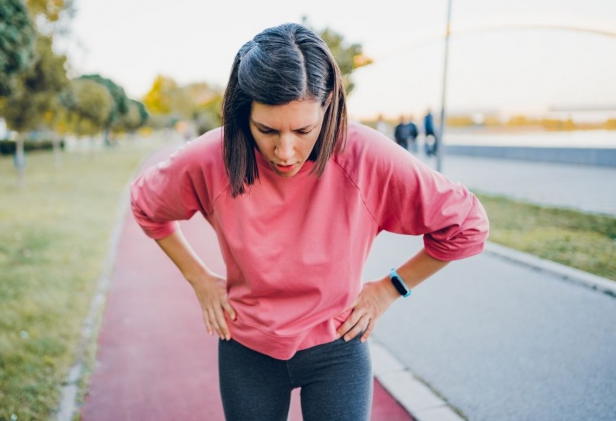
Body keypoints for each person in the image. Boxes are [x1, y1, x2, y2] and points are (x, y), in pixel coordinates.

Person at [131, 23, 488, 421]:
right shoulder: (209, 159)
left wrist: (389, 289)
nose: (285, 151)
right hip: (247, 349)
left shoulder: (364, 156)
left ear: (329, 105)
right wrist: (198, 278)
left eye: (303, 130)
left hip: (338, 348)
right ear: (241, 112)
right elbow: (147, 206)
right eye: (266, 130)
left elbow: (467, 225)